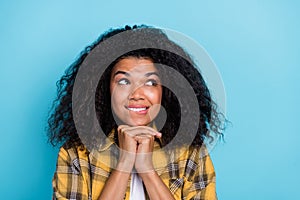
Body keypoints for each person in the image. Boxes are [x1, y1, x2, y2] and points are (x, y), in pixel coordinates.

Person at [47, 24, 225, 200]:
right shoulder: (76, 155)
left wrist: (147, 169)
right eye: (124, 81)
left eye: (150, 83)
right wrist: (124, 162)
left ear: (165, 91)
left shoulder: (191, 154)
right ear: (103, 88)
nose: (136, 95)